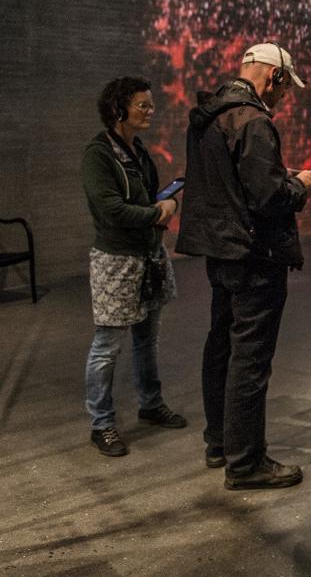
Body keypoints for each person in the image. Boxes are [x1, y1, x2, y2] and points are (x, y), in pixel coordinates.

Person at [176, 43, 311, 490]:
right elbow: (269, 198)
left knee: (220, 345)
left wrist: (279, 179)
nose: (283, 98)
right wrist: (299, 185)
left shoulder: (209, 115)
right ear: (274, 77)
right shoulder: (253, 121)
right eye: (284, 88)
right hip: (255, 257)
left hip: (221, 252)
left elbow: (231, 186)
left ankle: (219, 443)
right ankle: (245, 462)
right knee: (250, 359)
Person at [80, 76, 186, 457]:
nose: (150, 111)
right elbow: (110, 209)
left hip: (148, 256)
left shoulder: (138, 150)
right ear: (118, 109)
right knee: (107, 345)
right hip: (116, 260)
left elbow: (144, 201)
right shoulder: (99, 154)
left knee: (147, 338)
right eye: (142, 105)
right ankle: (102, 423)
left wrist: (165, 203)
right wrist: (158, 213)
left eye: (150, 104)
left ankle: (151, 403)